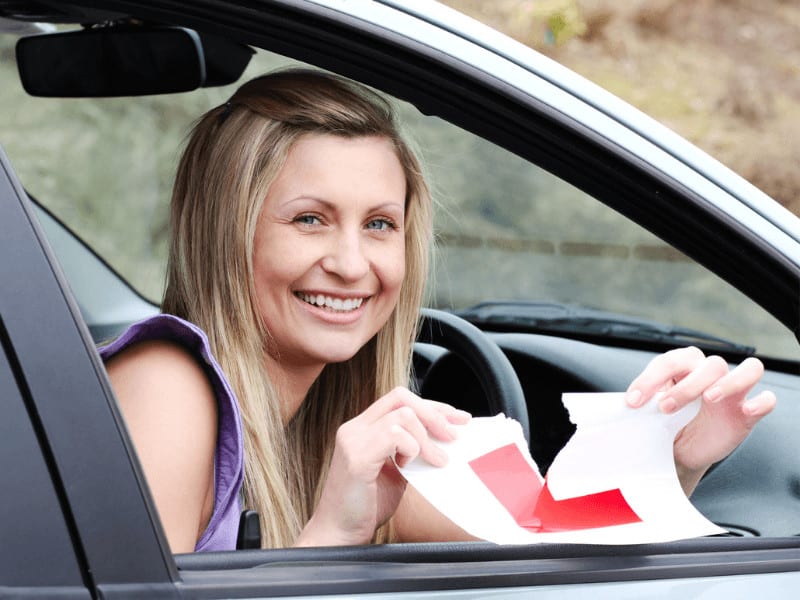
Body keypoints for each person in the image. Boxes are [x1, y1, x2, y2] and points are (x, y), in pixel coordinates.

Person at [101, 68, 776, 553]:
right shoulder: (168, 386)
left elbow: (548, 547)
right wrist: (334, 532)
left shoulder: (362, 428)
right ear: (228, 233)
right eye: (309, 219)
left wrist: (668, 460)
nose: (351, 263)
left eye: (379, 225)